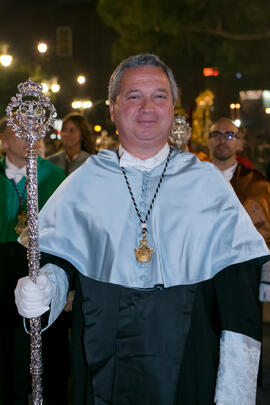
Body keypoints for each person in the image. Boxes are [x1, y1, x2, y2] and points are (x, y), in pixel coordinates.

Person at [15, 54, 269, 405]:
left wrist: (235, 395)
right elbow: (61, 264)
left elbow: (239, 304)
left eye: (160, 96)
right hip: (100, 363)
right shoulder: (85, 182)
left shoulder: (207, 186)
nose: (148, 107)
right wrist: (45, 289)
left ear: (173, 108)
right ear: (114, 108)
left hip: (189, 371)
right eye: (134, 95)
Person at [0, 117, 67, 405]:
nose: (29, 135)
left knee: (42, 346)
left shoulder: (54, 176)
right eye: (18, 130)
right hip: (1, 267)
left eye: (34, 130)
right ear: (2, 139)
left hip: (40, 266)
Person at [207, 117, 270, 301]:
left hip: (244, 271)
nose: (222, 140)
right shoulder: (194, 178)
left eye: (229, 135)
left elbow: (266, 233)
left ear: (240, 143)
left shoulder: (258, 185)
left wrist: (267, 277)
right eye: (216, 134)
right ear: (207, 141)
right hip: (202, 270)